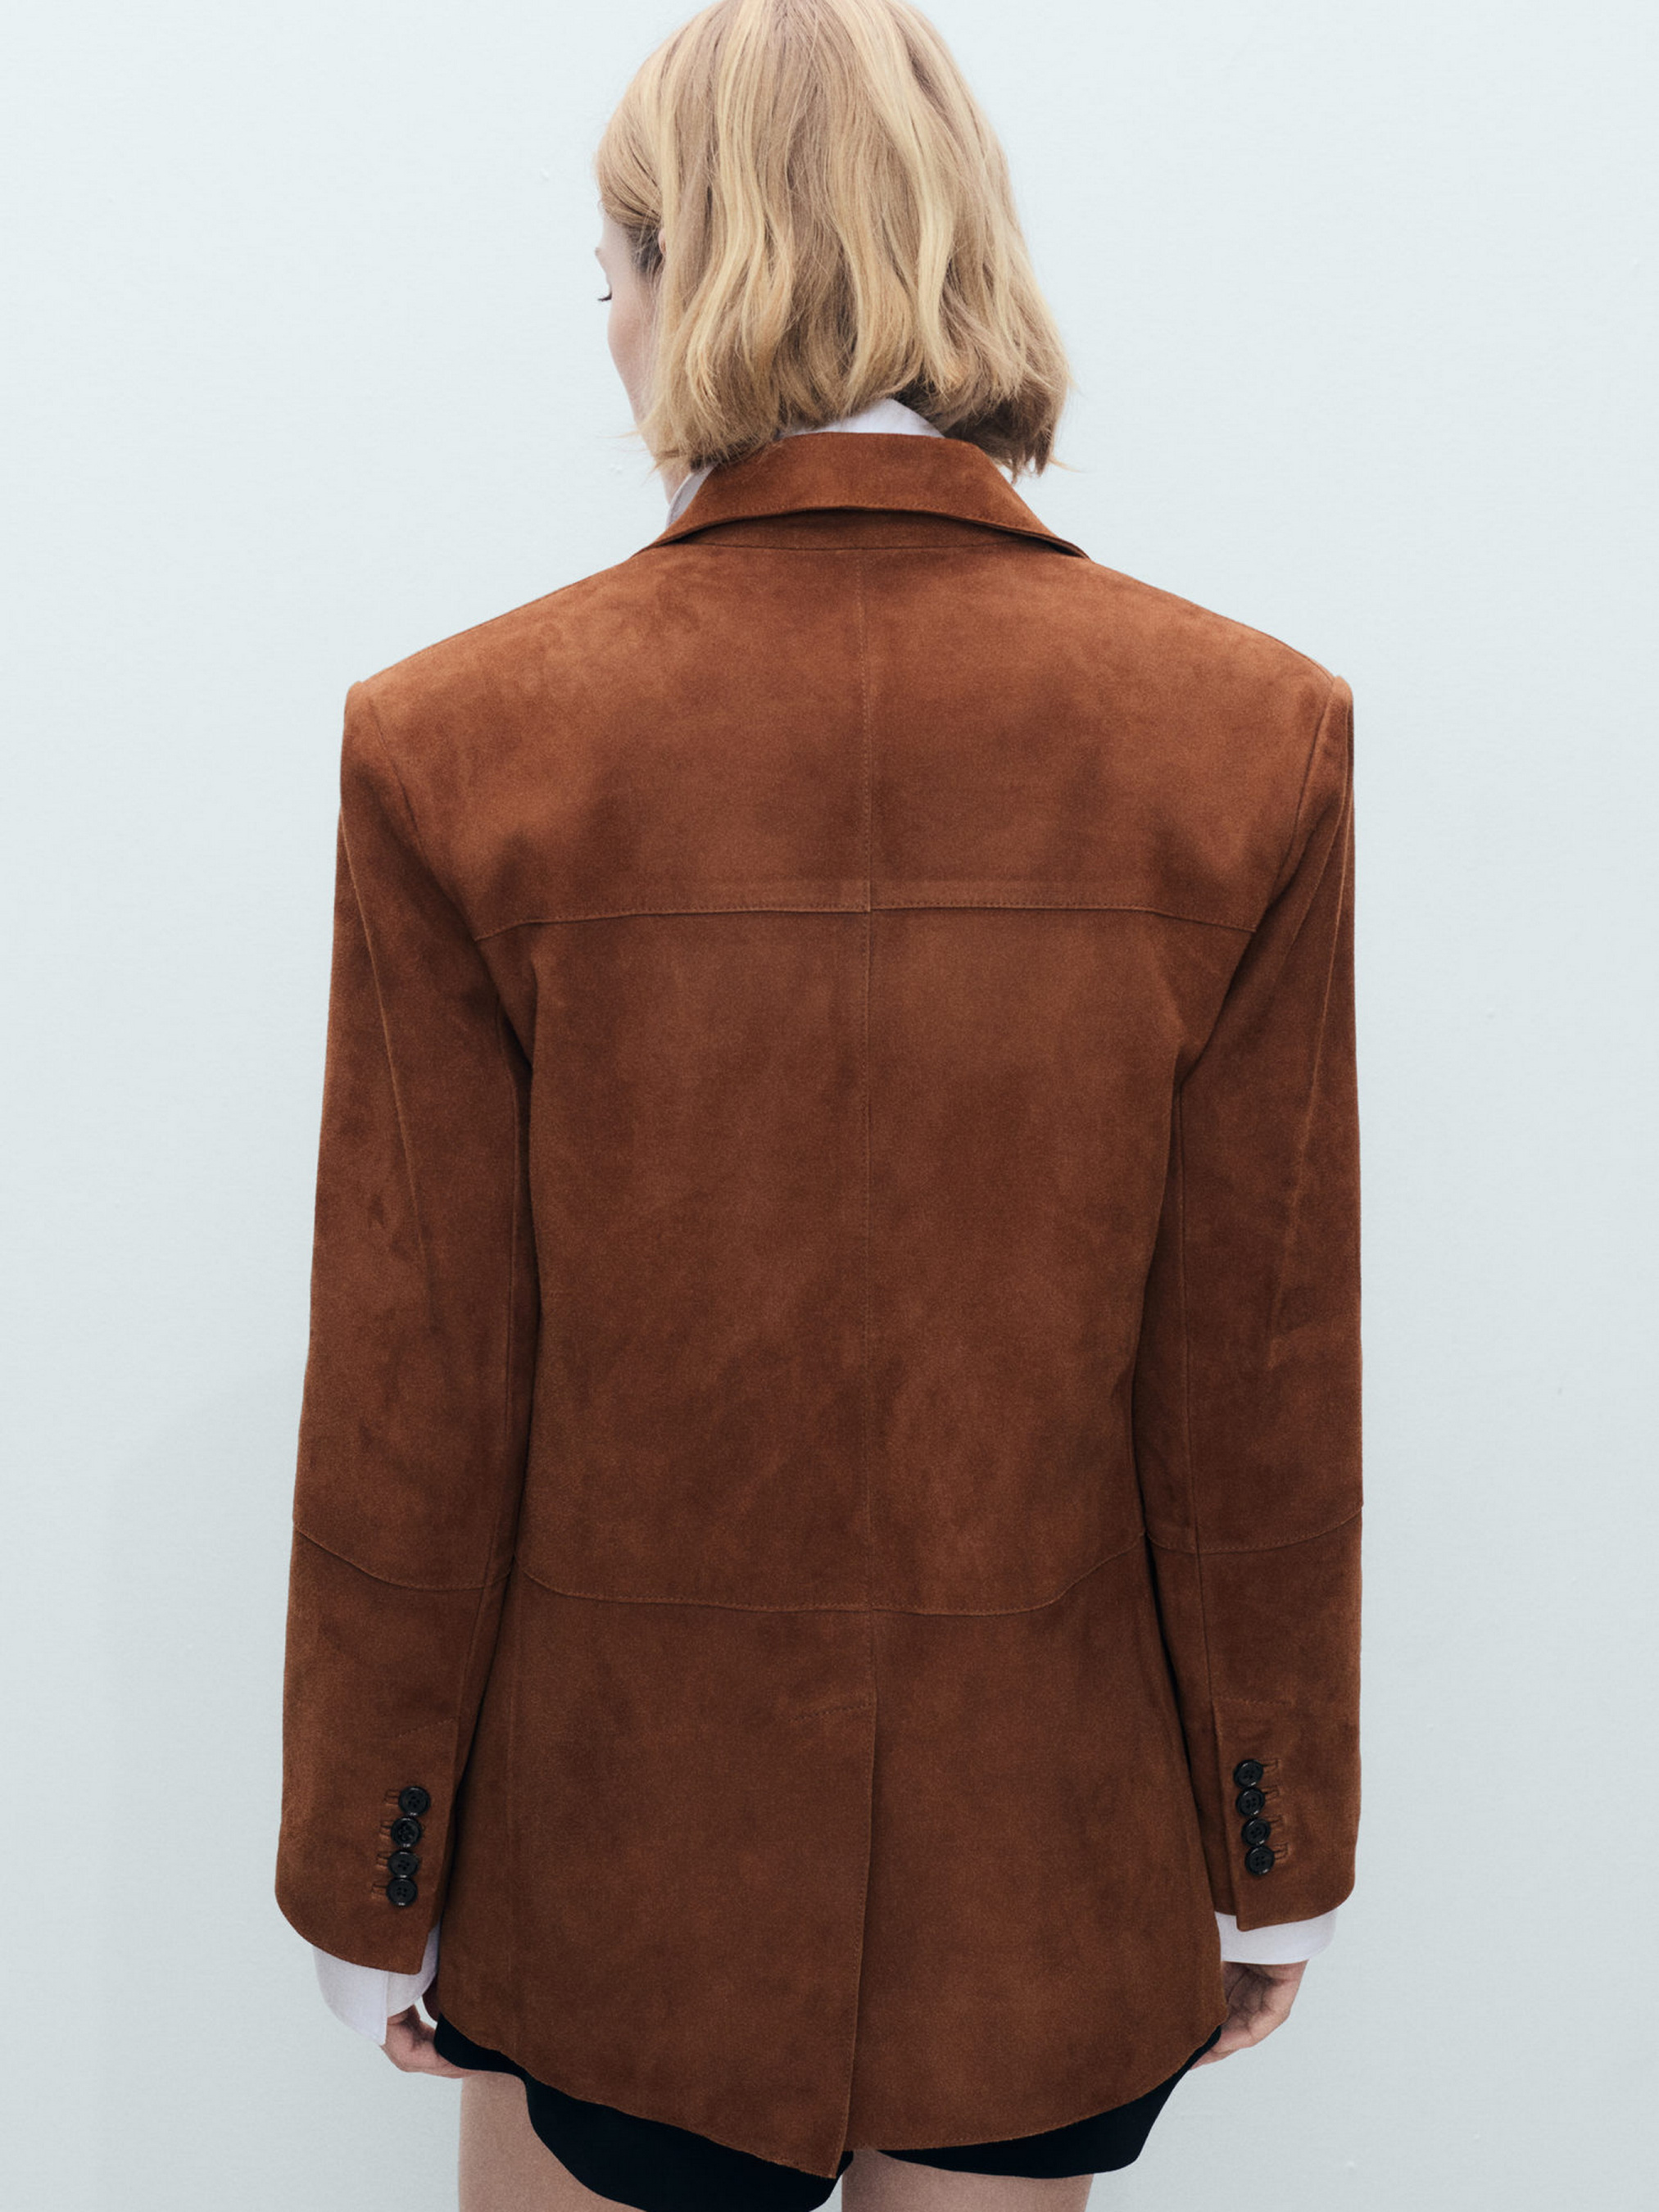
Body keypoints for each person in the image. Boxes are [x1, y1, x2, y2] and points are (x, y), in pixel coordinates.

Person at [274, 2, 1362, 2207]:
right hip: (1044, 1846)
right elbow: (1248, 1373)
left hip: (615, 1860)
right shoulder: (1244, 733)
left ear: (682, 273)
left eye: (610, 269)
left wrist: (370, 1859)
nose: (607, 327)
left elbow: (424, 1380)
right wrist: (1275, 1840)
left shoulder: (461, 740)